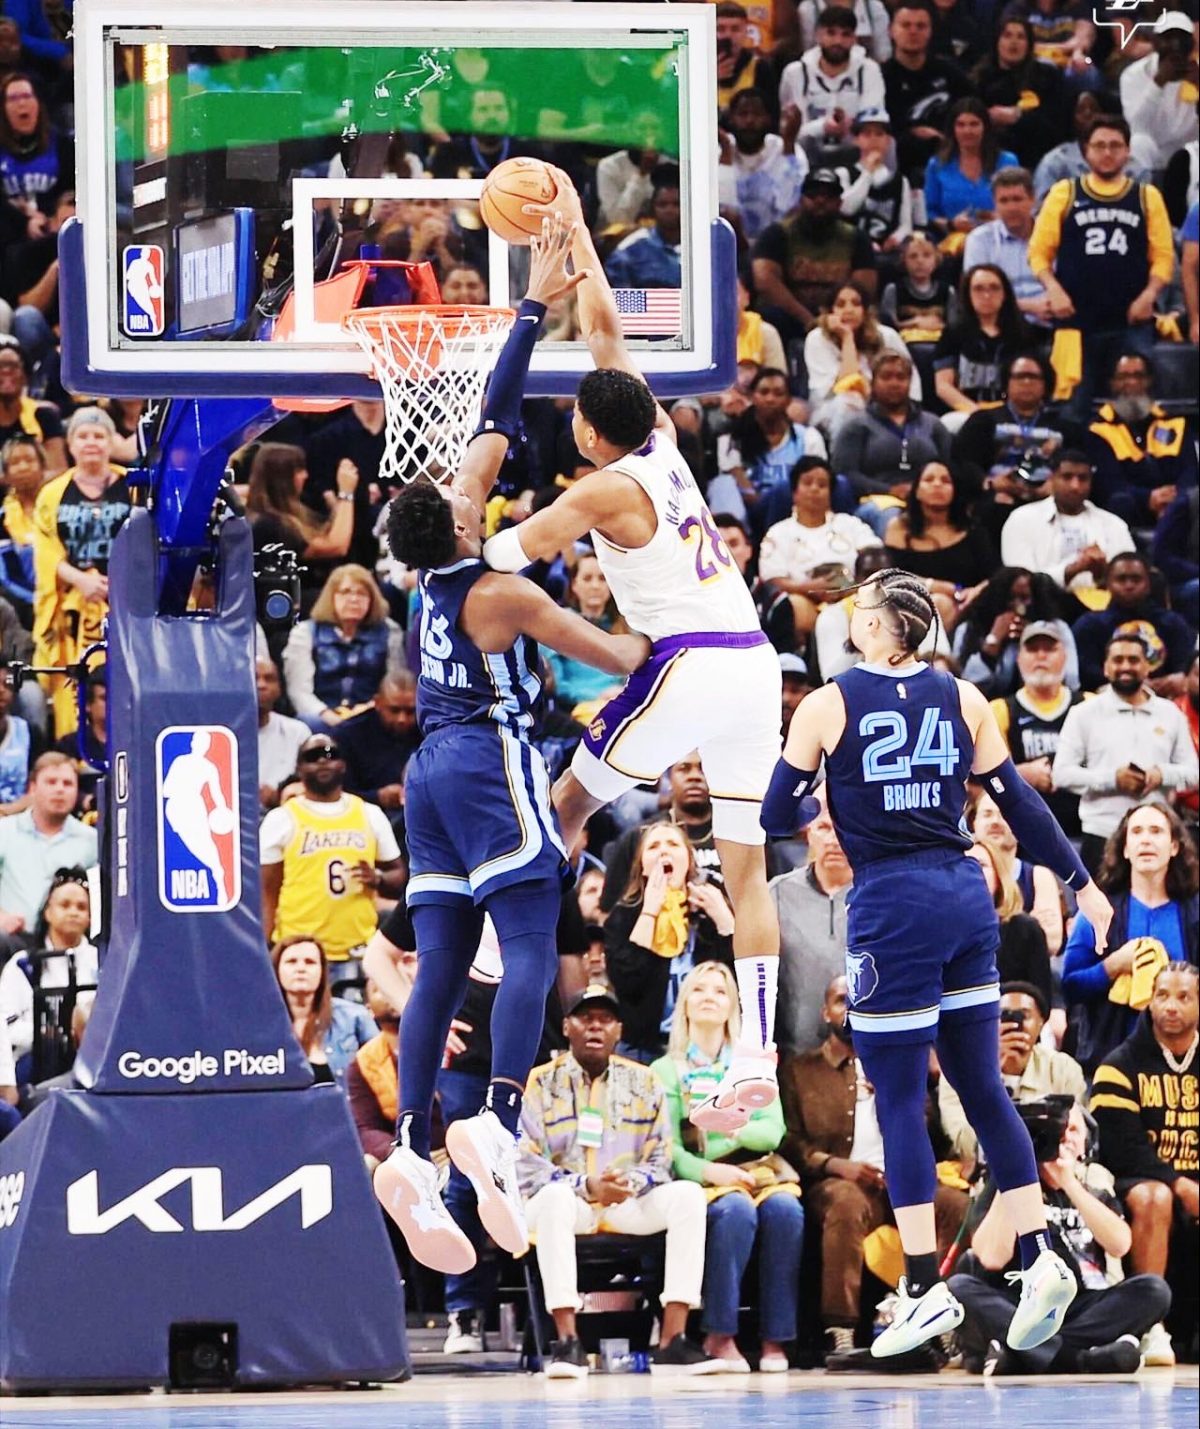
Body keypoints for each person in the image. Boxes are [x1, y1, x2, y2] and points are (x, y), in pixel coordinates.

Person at [371, 217, 653, 1277]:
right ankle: (491, 1113)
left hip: (427, 779)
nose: (463, 479)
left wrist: (531, 309)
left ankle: (407, 1148)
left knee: (443, 956)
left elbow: (489, 412)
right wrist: (659, 610)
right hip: (488, 763)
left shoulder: (429, 582)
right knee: (536, 934)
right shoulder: (501, 591)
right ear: (456, 515)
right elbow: (618, 652)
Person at [486, 173, 790, 1133]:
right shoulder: (655, 435)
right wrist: (574, 228)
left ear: (583, 428)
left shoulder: (601, 489)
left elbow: (509, 554)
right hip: (753, 663)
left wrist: (458, 534)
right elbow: (609, 327)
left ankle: (505, 943)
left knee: (565, 801)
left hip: (690, 664)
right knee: (745, 865)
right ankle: (758, 1059)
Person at [763, 566, 1115, 1357]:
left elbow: (774, 813)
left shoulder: (826, 702)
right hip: (964, 893)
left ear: (888, 628)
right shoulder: (962, 697)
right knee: (982, 1086)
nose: (851, 618)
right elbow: (1019, 803)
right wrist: (1083, 885)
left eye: (861, 611)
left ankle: (922, 1287)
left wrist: (821, 793)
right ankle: (1037, 1253)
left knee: (895, 1094)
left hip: (893, 903)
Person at [518, 983, 719, 1378]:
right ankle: (568, 1343)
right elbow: (526, 1165)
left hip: (626, 1201)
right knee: (556, 1199)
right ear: (566, 1026)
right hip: (568, 1203)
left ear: (619, 1030)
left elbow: (662, 1157)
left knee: (689, 1196)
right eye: (585, 1018)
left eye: (605, 1019)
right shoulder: (539, 1083)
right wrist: (589, 1186)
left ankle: (673, 1341)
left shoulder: (645, 1081)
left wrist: (629, 1183)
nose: (595, 1027)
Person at [780, 974, 961, 1361]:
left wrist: (897, 1099)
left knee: (953, 1206)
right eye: (842, 1001)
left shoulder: (898, 1066)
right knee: (846, 1203)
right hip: (837, 1182)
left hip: (902, 1184)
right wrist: (836, 1165)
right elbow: (790, 1141)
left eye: (859, 1001)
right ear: (825, 1011)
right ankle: (840, 1332)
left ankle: (947, 1326)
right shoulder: (800, 1070)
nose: (850, 1010)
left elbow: (933, 1136)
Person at [652, 961, 804, 1372]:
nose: (708, 998)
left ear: (732, 1006)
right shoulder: (664, 1071)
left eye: (719, 992)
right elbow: (665, 1148)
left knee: (786, 1211)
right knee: (734, 1212)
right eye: (699, 990)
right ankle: (720, 1335)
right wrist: (711, 1170)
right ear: (684, 1005)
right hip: (702, 1177)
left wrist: (726, 1128)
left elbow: (772, 1132)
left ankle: (776, 1339)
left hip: (759, 1170)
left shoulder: (751, 1065)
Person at [949, 1099, 1170, 1375]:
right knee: (958, 1288)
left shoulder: (1093, 1185)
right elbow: (992, 1257)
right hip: (1020, 1306)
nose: (1064, 1139)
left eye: (1074, 1131)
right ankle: (1078, 1359)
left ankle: (1026, 1354)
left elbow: (1120, 1244)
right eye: (1056, 1132)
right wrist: (1016, 1170)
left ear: (1086, 1141)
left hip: (1081, 1304)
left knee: (1154, 1290)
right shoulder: (1001, 1186)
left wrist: (1069, 1183)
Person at [1028, 115, 1174, 424]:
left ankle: (1138, 470)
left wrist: (1150, 295)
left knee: (1136, 409)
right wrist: (1053, 290)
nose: (1107, 153)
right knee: (1072, 411)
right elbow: (1038, 253)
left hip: (1131, 321)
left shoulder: (1146, 197)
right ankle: (1075, 471)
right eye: (1099, 146)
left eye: (1115, 146)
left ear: (1127, 151)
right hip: (1076, 321)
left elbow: (1163, 257)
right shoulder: (1064, 193)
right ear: (1086, 151)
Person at [1089, 962, 1200, 1369]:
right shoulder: (1117, 1066)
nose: (1171, 1006)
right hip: (1136, 1181)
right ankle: (1152, 1325)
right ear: (1149, 1002)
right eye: (1162, 995)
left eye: (1184, 996)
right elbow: (1122, 1150)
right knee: (1155, 1197)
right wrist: (1181, 1184)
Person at [1063, 800, 1200, 1074]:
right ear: (1125, 848)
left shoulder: (1195, 909)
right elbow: (1070, 986)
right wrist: (1113, 966)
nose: (1146, 840)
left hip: (1186, 1059)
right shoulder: (1097, 910)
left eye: (1156, 831)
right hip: (1111, 1056)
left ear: (1174, 847)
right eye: (1136, 832)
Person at [259, 733, 407, 965]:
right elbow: (267, 892)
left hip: (358, 950)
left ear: (343, 765)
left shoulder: (370, 814)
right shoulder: (280, 819)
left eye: (331, 755)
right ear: (299, 768)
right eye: (313, 756)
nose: (323, 761)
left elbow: (399, 875)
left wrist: (377, 878)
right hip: (299, 952)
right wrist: (264, 947)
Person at [1053, 638, 1196, 874]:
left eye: (1134, 659)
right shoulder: (1083, 714)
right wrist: (1113, 779)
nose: (1126, 666)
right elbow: (1062, 774)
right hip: (1101, 835)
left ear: (1148, 667)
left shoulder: (1171, 714)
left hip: (1156, 836)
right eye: (1118, 660)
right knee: (1101, 910)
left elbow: (1193, 772)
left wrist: (1161, 774)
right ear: (1106, 668)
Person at [32, 407, 129, 735]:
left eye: (99, 436)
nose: (91, 442)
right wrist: (81, 579)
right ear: (70, 444)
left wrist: (122, 581)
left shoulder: (135, 487)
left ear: (111, 442)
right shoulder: (52, 494)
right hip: (72, 611)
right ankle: (74, 753)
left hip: (126, 603)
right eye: (83, 435)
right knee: (74, 683)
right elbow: (44, 552)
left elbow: (150, 540)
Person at [603, 823, 735, 1063]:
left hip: (706, 1044)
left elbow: (736, 979)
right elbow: (627, 981)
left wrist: (725, 922)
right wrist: (650, 912)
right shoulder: (623, 916)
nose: (664, 851)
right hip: (643, 1048)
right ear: (642, 866)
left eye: (673, 844)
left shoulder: (710, 911)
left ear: (689, 860)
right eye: (653, 846)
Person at [938, 982, 1085, 1165]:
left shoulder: (1063, 1068)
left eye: (1024, 1015)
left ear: (1041, 1023)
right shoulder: (959, 1068)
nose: (1015, 1024)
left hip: (1057, 1167)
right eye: (1004, 1016)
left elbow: (1077, 1136)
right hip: (987, 1170)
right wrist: (992, 1077)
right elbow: (964, 1142)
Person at [952, 353, 1081, 533]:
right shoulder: (984, 419)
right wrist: (990, 483)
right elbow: (962, 462)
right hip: (998, 496)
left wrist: (1057, 485)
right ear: (1007, 382)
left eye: (1034, 377)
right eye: (1020, 376)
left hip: (1049, 496)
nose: (1027, 382)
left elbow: (1079, 464)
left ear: (1046, 384)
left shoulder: (1064, 427)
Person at [757, 457, 880, 639]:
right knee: (793, 605)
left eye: (822, 485)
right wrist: (810, 588)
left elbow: (875, 557)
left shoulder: (850, 524)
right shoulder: (778, 532)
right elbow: (773, 580)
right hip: (805, 599)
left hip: (852, 597)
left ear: (831, 493)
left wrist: (853, 589)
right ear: (795, 492)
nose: (815, 489)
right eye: (808, 483)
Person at [770, 791, 854, 1055]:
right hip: (794, 1052)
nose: (833, 840)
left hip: (867, 1052)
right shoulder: (776, 894)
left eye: (843, 829)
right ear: (807, 831)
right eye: (824, 828)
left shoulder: (880, 892)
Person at [751, 168, 878, 342]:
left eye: (829, 196)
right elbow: (765, 281)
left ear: (839, 203)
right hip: (791, 317)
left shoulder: (857, 238)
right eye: (813, 195)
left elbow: (863, 289)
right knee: (769, 317)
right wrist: (809, 320)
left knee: (878, 321)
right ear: (801, 200)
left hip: (841, 315)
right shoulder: (777, 233)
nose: (820, 201)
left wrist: (833, 318)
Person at [989, 621, 1086, 839]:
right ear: (1019, 658)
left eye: (1049, 649)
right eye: (1032, 649)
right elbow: (981, 780)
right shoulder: (999, 710)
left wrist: (1065, 774)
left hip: (1084, 829)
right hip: (1023, 835)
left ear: (1065, 656)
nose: (1041, 656)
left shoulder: (1089, 705)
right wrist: (1022, 775)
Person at [0, 865, 96, 1080]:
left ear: (90, 917)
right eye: (65, 905)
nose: (73, 912)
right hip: (35, 1060)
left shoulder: (103, 961)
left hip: (92, 1057)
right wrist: (49, 1033)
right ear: (48, 912)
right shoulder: (23, 965)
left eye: (81, 907)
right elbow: (6, 1027)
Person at [281, 563, 405, 729]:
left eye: (362, 594)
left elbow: (394, 684)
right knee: (309, 723)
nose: (354, 599)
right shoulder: (305, 632)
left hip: (370, 714)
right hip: (320, 717)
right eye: (345, 592)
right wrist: (327, 715)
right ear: (331, 597)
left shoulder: (390, 631)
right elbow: (299, 691)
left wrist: (370, 708)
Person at [1085, 352, 1199, 531]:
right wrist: (1150, 498)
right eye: (1123, 376)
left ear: (1148, 381)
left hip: (1178, 510)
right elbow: (1109, 483)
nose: (1131, 382)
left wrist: (1176, 502)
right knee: (1119, 500)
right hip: (1131, 509)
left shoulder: (1176, 424)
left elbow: (1190, 472)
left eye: (1138, 375)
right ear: (1112, 383)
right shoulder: (1098, 429)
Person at [708, 367, 827, 534]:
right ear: (752, 397)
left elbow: (816, 479)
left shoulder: (808, 438)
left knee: (785, 489)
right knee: (722, 484)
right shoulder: (732, 439)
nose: (770, 399)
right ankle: (733, 545)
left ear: (788, 400)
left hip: (795, 508)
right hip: (750, 510)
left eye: (778, 393)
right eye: (764, 392)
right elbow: (742, 486)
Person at [244, 443, 359, 614]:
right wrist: (346, 493)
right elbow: (336, 546)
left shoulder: (291, 515)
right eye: (298, 470)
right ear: (281, 478)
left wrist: (336, 504)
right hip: (290, 607)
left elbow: (323, 535)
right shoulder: (269, 524)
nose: (305, 475)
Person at [998, 449, 1134, 593]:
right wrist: (1072, 569)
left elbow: (1130, 582)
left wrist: (1102, 572)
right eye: (1067, 477)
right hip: (1043, 606)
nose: (1075, 486)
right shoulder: (1022, 519)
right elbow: (1020, 582)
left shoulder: (1114, 524)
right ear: (1052, 479)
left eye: (1083, 478)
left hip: (1101, 606)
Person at [831, 350, 951, 509]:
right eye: (886, 377)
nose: (894, 383)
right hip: (876, 502)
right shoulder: (856, 425)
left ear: (910, 382)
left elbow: (949, 469)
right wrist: (889, 490)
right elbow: (845, 473)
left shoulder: (933, 424)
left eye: (901, 377)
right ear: (873, 382)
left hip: (927, 501)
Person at [882, 460, 998, 616]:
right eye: (929, 479)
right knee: (939, 603)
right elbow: (890, 576)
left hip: (967, 607)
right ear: (916, 490)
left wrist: (975, 592)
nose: (937, 485)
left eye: (946, 481)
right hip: (909, 606)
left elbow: (994, 576)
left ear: (955, 490)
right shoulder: (899, 527)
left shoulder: (973, 530)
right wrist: (933, 586)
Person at [803, 282, 918, 439]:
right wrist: (847, 337)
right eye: (841, 304)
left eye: (856, 304)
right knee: (850, 401)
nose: (849, 310)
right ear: (830, 312)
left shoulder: (887, 335)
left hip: (883, 405)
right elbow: (847, 385)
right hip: (830, 409)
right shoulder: (817, 338)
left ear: (865, 310)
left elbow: (911, 379)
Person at [1072, 552, 1195, 698]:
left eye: (1136, 579)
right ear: (1107, 584)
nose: (1129, 585)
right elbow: (1085, 671)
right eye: (1121, 579)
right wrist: (1130, 683)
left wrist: (1179, 677)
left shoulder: (1172, 623)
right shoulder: (1089, 625)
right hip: (1107, 699)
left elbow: (1187, 663)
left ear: (1148, 584)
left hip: (1167, 699)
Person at [0, 754, 96, 940]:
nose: (60, 789)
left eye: (67, 784)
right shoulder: (4, 831)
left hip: (69, 940)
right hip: (11, 937)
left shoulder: (91, 840)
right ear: (33, 788)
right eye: (51, 782)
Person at [778, 6, 886, 166]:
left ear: (854, 38)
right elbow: (791, 132)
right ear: (818, 35)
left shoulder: (869, 70)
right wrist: (823, 127)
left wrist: (848, 128)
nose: (838, 41)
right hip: (806, 156)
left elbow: (873, 125)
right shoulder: (795, 72)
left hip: (856, 154)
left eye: (846, 35)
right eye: (831, 33)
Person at [932, 264, 1036, 426]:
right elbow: (943, 386)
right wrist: (977, 413)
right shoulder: (954, 332)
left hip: (1011, 413)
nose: (987, 295)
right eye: (978, 289)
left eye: (994, 288)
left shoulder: (1022, 333)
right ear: (968, 294)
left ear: (1005, 294)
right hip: (967, 411)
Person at [952, 566, 1078, 699]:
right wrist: (993, 641)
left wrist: (1034, 638)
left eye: (1024, 598)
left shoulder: (1057, 629)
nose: (1018, 606)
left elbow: (1072, 681)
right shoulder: (970, 630)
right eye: (1010, 598)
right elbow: (964, 686)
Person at [969, 785, 1065, 956]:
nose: (995, 822)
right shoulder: (960, 871)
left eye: (1004, 814)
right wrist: (1029, 925)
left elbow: (1051, 942)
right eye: (987, 814)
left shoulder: (1038, 876)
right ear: (973, 822)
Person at [270, 934, 377, 1086]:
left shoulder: (355, 1017)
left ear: (322, 971)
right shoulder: (261, 1023)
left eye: (310, 962)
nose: (301, 969)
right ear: (276, 969)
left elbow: (383, 1071)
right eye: (291, 962)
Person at [972, 18, 1066, 170]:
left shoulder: (1047, 77)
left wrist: (1017, 117)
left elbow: (1056, 124)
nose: (1014, 42)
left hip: (1036, 154)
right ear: (997, 41)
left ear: (1029, 44)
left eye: (1020, 37)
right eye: (1007, 36)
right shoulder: (979, 78)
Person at [961, 169, 1053, 324]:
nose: (1011, 208)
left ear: (1033, 200)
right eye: (1004, 201)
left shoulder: (1054, 234)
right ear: (994, 204)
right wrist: (1030, 307)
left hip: (1053, 319)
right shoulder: (979, 240)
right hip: (1003, 325)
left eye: (1017, 199)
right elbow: (976, 295)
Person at [541, 550, 629, 711]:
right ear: (574, 585)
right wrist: (596, 697)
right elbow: (557, 685)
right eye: (587, 579)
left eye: (602, 579)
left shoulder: (628, 627)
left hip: (622, 704)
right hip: (578, 710)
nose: (595, 586)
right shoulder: (558, 624)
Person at [923, 98, 1019, 242]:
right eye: (960, 125)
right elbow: (930, 212)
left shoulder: (1007, 162)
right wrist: (951, 224)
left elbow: (1019, 204)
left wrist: (1000, 218)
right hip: (953, 244)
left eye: (974, 124)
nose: (967, 131)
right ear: (953, 129)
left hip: (1000, 240)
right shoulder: (937, 165)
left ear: (985, 127)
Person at [721, 88, 808, 243]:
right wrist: (726, 153)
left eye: (757, 114)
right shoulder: (720, 148)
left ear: (768, 118)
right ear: (731, 119)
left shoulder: (785, 147)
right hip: (729, 245)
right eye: (742, 114)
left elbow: (789, 204)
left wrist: (788, 145)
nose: (749, 121)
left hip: (777, 244)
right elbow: (720, 206)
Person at [1119, 10, 1199, 173]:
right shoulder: (1133, 75)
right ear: (1155, 42)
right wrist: (1158, 82)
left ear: (1191, 42)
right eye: (1168, 38)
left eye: (1181, 39)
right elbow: (1138, 126)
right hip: (1154, 151)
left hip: (1192, 150)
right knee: (1139, 142)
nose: (1175, 44)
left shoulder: (1196, 70)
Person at [338, 671, 420, 825]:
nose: (402, 719)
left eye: (410, 711)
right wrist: (377, 796)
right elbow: (337, 795)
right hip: (362, 818)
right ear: (377, 703)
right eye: (394, 710)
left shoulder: (428, 732)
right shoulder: (349, 735)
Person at [835, 110, 914, 258]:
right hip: (850, 249)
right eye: (867, 134)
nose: (873, 139)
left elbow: (906, 224)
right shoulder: (843, 173)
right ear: (856, 139)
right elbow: (847, 209)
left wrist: (896, 238)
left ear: (888, 140)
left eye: (879, 134)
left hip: (887, 251)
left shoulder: (900, 181)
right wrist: (868, 172)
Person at [604, 167, 682, 293]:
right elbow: (621, 302)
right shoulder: (629, 250)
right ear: (652, 209)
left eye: (676, 204)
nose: (670, 210)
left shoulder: (702, 245)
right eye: (662, 205)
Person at [0, 344, 63, 475]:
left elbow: (58, 470)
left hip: (37, 493)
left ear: (25, 376)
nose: (6, 371)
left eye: (13, 366)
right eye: (0, 365)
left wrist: (24, 482)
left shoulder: (44, 415)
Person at [255, 657, 308, 811]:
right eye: (254, 677)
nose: (261, 685)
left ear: (279, 689)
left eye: (269, 679)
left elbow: (310, 785)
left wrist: (279, 794)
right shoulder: (221, 734)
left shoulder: (298, 731)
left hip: (284, 816)